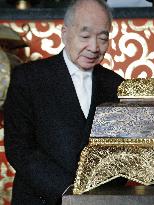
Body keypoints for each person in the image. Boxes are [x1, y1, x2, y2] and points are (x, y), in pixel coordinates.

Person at [4, 0, 124, 204]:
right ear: (64, 33)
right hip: (40, 199)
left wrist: (101, 195)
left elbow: (123, 151)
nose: (94, 47)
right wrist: (70, 192)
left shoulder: (116, 85)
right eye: (85, 36)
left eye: (103, 38)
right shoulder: (28, 78)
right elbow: (19, 148)